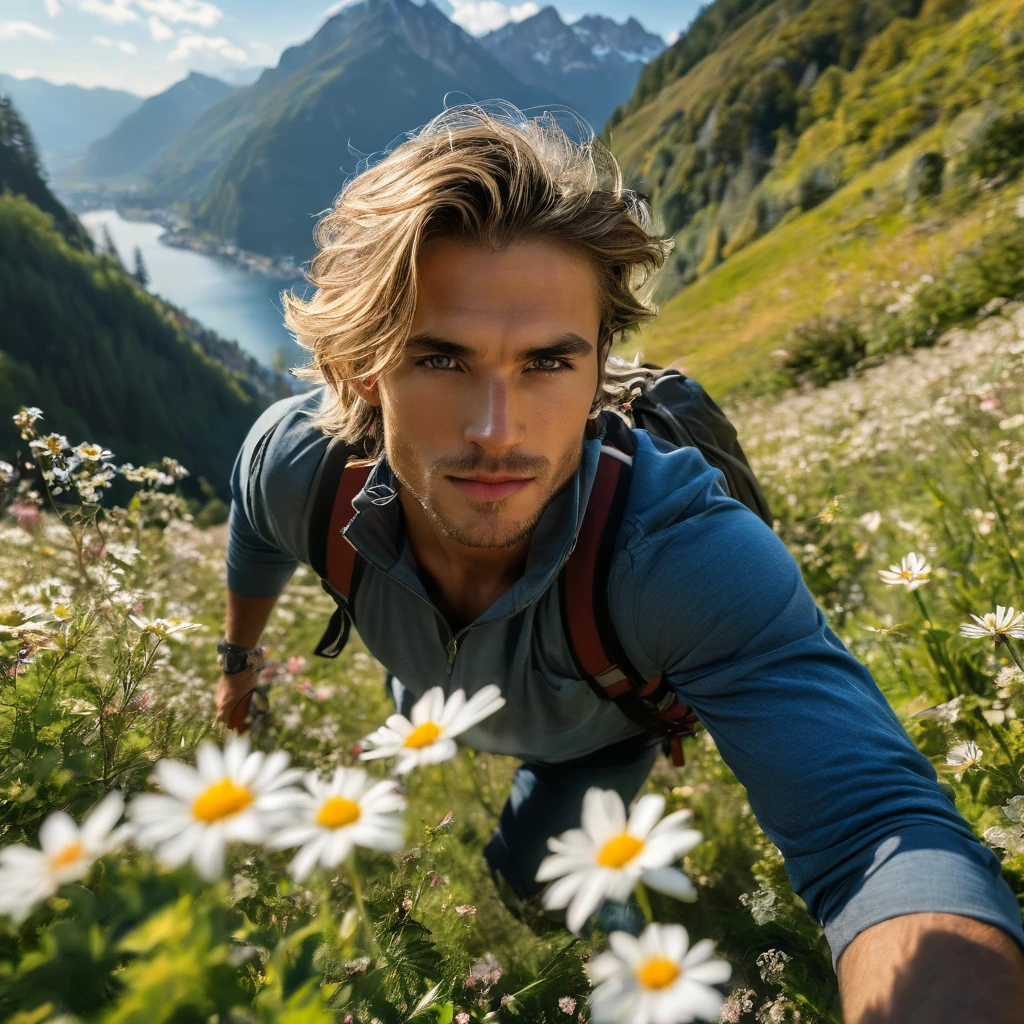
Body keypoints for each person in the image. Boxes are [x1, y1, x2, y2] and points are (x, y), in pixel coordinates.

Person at [216, 102, 1024, 1022]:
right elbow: (252, 533)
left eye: (548, 365)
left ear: (602, 367)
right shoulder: (296, 467)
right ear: (365, 370)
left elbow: (875, 828)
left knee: (529, 879)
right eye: (440, 361)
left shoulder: (678, 555)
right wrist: (237, 663)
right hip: (432, 709)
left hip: (594, 733)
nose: (496, 431)